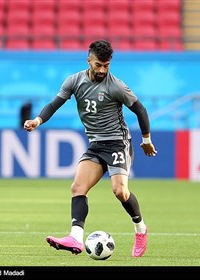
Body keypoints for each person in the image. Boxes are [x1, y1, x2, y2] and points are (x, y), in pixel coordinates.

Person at [23, 40, 157, 258]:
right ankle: (75, 237)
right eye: (98, 65)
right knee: (77, 187)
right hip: (96, 144)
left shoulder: (116, 86)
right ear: (89, 60)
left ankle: (141, 229)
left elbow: (140, 110)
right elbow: (54, 104)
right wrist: (37, 120)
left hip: (117, 142)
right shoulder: (74, 81)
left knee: (120, 191)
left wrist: (146, 139)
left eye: (106, 65)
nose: (103, 70)